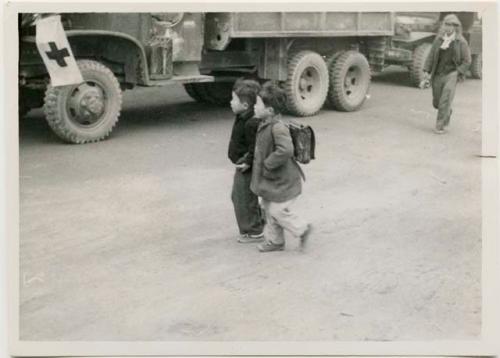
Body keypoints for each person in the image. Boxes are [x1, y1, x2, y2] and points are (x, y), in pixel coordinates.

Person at [250, 82, 312, 252]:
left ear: (269, 111)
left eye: (257, 104)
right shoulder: (265, 123)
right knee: (269, 208)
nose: (255, 107)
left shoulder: (277, 127)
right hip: (272, 180)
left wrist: (268, 164)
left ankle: (302, 229)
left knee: (277, 210)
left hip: (283, 180)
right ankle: (276, 241)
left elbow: (286, 150)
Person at [228, 79, 265, 243]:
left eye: (233, 99)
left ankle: (254, 231)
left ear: (245, 105)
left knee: (244, 198)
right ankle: (256, 224)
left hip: (246, 166)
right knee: (238, 196)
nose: (230, 102)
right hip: (242, 164)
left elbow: (255, 147)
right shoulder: (242, 116)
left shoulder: (251, 123)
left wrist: (248, 162)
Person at [423, 14, 471, 134]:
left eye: (452, 25)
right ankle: (447, 112)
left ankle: (439, 126)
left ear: (456, 27)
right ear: (443, 25)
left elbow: (467, 60)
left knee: (445, 99)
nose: (449, 27)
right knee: (437, 102)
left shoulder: (461, 42)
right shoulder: (438, 39)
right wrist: (426, 71)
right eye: (447, 24)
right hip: (438, 74)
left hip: (452, 74)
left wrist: (458, 72)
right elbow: (431, 56)